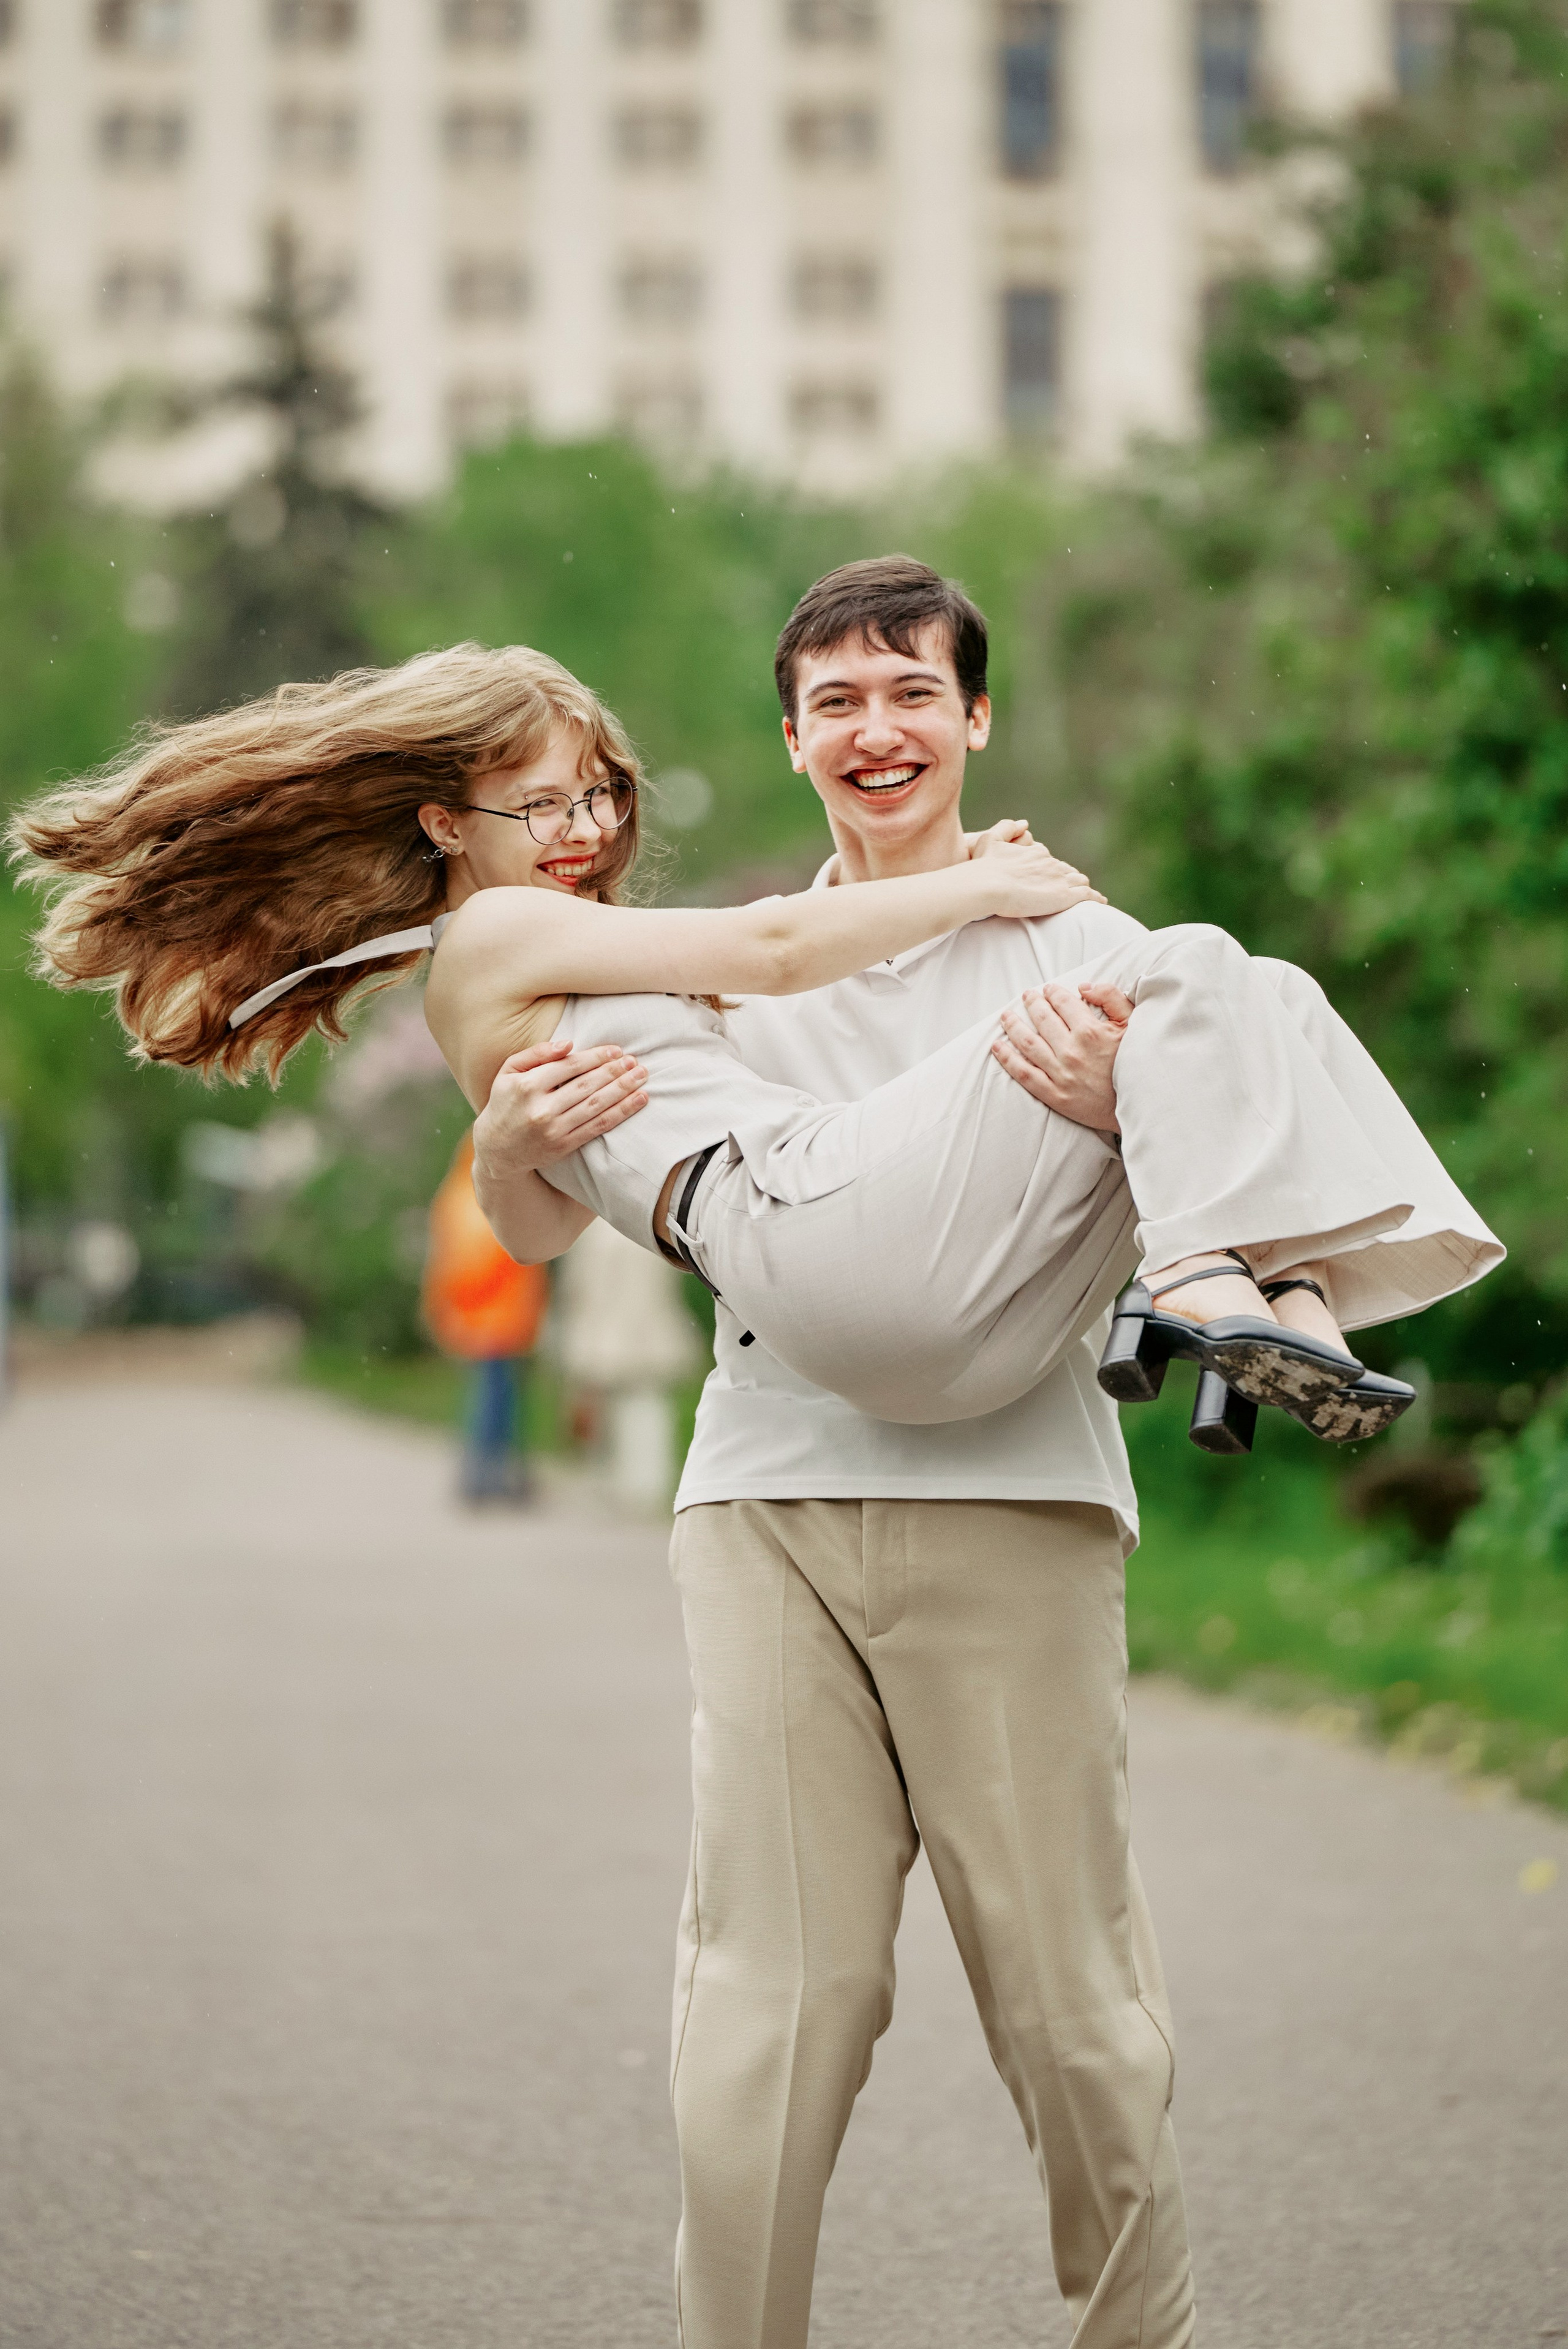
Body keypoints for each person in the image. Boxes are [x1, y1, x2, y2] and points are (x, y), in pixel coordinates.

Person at [7, 586, 1498, 2348]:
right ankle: (1253, 1292)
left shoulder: (1053, 942)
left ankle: (1245, 1291)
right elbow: (551, 1222)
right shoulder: (720, 952)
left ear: (974, 721)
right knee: (778, 1995)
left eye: (913, 694)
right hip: (773, 1475)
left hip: (1007, 1490)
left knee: (1072, 2007)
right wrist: (503, 1146)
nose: (878, 729)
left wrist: (1108, 1089)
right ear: (792, 740)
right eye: (838, 701)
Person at [422, 1128, 548, 1504]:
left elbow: (443, 1265)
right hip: (497, 1320)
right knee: (497, 1399)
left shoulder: (454, 1197)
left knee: (494, 1396)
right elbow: (500, 1260)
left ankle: (489, 1475)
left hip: (480, 1320)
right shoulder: (482, 1200)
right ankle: (489, 1478)